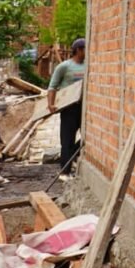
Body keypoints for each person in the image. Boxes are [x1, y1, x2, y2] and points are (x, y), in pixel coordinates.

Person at [47, 37, 87, 178]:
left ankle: (74, 157)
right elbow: (52, 87)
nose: (87, 52)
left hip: (85, 108)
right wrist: (51, 104)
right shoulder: (64, 66)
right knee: (67, 140)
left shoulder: (88, 65)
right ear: (78, 50)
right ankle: (65, 171)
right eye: (85, 49)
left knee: (87, 138)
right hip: (69, 108)